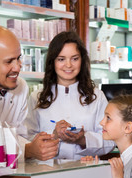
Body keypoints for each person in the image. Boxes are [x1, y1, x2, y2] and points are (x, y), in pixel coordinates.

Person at [25, 31, 115, 160]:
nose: (68, 65)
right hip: (46, 172)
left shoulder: (96, 96)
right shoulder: (37, 97)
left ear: (82, 60)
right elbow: (26, 140)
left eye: (75, 58)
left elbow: (110, 140)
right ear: (52, 62)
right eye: (61, 59)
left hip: (85, 171)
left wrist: (83, 139)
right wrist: (54, 135)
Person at [0, 25, 59, 161]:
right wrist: (28, 150)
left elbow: (18, 134)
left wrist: (36, 145)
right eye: (9, 61)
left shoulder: (20, 86)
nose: (17, 67)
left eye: (18, 58)